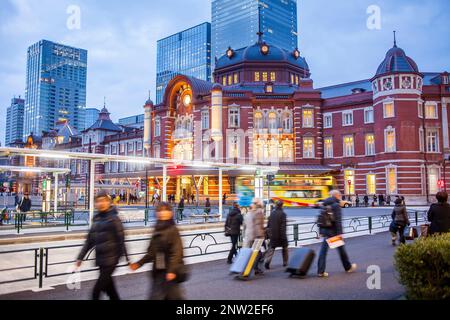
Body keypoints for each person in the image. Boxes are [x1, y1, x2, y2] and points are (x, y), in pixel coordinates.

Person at [76, 191, 128, 300]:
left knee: (96, 291)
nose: (101, 203)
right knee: (110, 290)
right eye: (98, 201)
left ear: (109, 202)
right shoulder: (96, 219)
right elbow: (89, 240)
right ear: (95, 204)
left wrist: (124, 259)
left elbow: (121, 240)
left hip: (111, 261)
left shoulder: (114, 218)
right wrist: (80, 257)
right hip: (100, 259)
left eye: (104, 201)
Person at [130, 202, 185, 300]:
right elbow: (152, 252)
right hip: (159, 271)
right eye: (160, 210)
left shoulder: (173, 229)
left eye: (165, 210)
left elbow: (177, 252)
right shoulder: (157, 229)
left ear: (171, 213)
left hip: (169, 272)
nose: (163, 213)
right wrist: (139, 263)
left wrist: (171, 271)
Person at [317, 190, 357, 278]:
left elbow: (320, 219)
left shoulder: (324, 204)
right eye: (339, 195)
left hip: (326, 231)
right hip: (334, 232)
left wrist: (321, 232)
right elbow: (338, 221)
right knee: (341, 250)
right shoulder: (336, 205)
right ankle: (348, 267)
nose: (340, 197)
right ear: (336, 196)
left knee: (323, 252)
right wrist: (340, 233)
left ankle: (320, 271)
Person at [264, 201, 288, 269]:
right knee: (284, 248)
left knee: (271, 249)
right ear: (281, 206)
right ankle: (285, 262)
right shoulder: (283, 214)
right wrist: (283, 236)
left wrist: (269, 234)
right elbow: (283, 227)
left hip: (273, 235)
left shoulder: (272, 214)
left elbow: (268, 225)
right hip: (281, 235)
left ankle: (267, 262)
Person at [246, 199, 265, 274]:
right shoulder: (259, 212)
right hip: (257, 236)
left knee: (257, 252)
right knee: (257, 253)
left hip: (251, 235)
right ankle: (254, 268)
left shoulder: (250, 213)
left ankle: (254, 267)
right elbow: (259, 225)